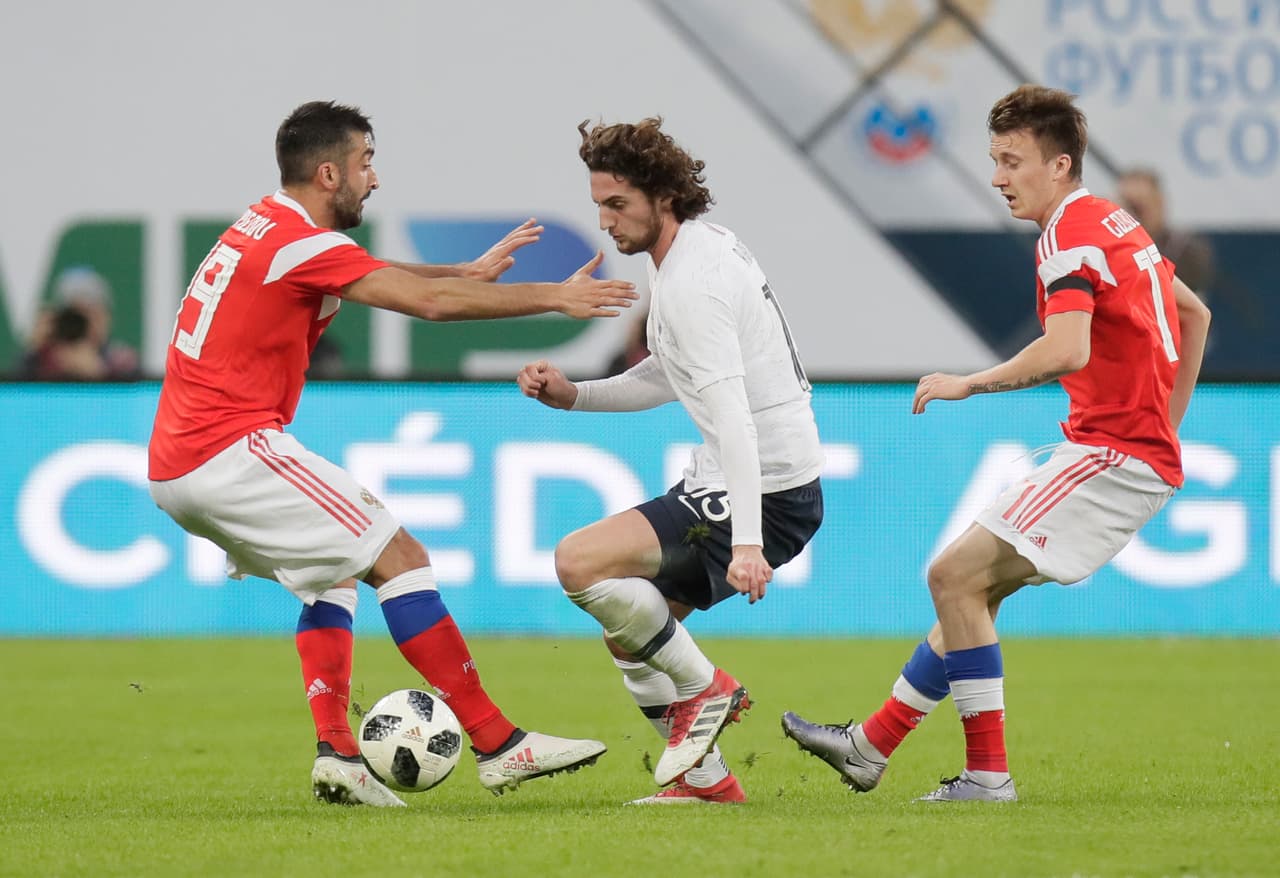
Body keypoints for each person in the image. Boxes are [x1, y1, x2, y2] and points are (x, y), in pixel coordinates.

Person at [147, 100, 637, 806]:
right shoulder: (297, 243)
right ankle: (499, 743)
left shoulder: (267, 225)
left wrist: (464, 272)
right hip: (229, 448)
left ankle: (340, 758)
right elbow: (426, 304)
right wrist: (554, 298)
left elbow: (362, 270)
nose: (373, 179)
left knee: (331, 575)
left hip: (180, 464)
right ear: (327, 173)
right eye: (365, 163)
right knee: (400, 557)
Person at [782, 85, 1211, 802]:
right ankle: (871, 746)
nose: (998, 177)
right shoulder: (1117, 223)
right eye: (994, 160)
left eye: (1012, 161)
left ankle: (987, 778)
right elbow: (1193, 315)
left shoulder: (1067, 236)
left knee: (951, 577)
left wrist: (968, 383)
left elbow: (1067, 349)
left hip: (1113, 453)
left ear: (1061, 164)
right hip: (1127, 450)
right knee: (973, 592)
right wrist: (1166, 426)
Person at [516, 118, 825, 804]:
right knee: (631, 636)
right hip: (772, 482)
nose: (604, 221)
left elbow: (735, 422)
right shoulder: (702, 251)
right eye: (598, 203)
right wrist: (575, 397)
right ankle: (704, 784)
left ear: (664, 197)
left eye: (617, 204)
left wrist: (747, 543)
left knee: (578, 561)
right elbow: (670, 376)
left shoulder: (691, 285)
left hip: (764, 490)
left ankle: (707, 689)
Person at [17, 266, 140, 380]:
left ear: (105, 318)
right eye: (76, 315)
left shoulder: (121, 362)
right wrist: (33, 352)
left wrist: (98, 375)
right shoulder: (41, 359)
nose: (81, 325)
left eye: (89, 313)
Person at [1115, 168, 1215, 300]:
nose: (1133, 215)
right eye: (1128, 207)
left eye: (1138, 207)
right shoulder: (1110, 250)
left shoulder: (1186, 250)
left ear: (1159, 202)